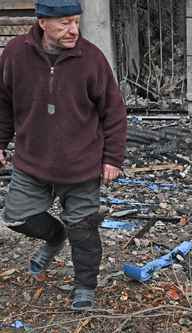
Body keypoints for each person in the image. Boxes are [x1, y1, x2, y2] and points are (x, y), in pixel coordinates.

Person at [0, 0, 127, 310]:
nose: (74, 30)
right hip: (32, 162)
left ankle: (85, 286)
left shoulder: (91, 59)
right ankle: (56, 236)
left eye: (76, 21)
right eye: (64, 23)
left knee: (83, 230)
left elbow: (114, 111)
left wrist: (113, 158)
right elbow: (2, 102)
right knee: (16, 217)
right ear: (43, 22)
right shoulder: (15, 54)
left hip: (81, 166)